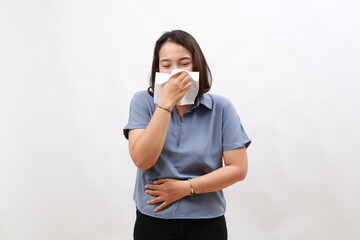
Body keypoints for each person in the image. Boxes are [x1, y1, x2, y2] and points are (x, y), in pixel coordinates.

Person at [123, 30, 251, 240]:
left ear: (196, 66)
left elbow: (238, 169)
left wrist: (185, 188)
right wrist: (165, 103)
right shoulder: (142, 102)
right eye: (166, 65)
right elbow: (142, 160)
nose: (175, 72)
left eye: (184, 63)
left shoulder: (221, 108)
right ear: (158, 70)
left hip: (206, 221)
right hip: (154, 219)